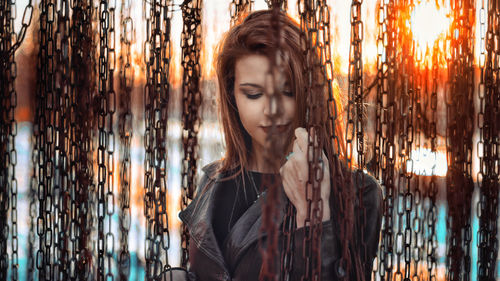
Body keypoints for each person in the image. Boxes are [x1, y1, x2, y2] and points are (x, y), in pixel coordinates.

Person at [174, 9, 383, 281]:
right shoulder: (212, 183)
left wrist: (313, 215)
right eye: (254, 93)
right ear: (232, 95)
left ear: (310, 95)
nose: (271, 109)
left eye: (288, 92)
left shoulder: (359, 194)